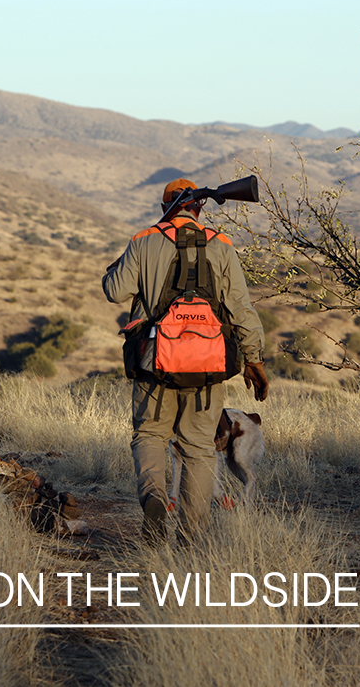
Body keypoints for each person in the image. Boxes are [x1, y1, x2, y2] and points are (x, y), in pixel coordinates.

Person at [103, 178, 268, 545]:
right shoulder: (222, 244)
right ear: (198, 208)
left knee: (150, 435)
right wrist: (254, 359)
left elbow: (115, 291)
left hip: (154, 364)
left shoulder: (144, 240)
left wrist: (121, 263)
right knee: (199, 449)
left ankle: (155, 498)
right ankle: (191, 538)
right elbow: (242, 309)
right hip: (207, 369)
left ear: (167, 207)